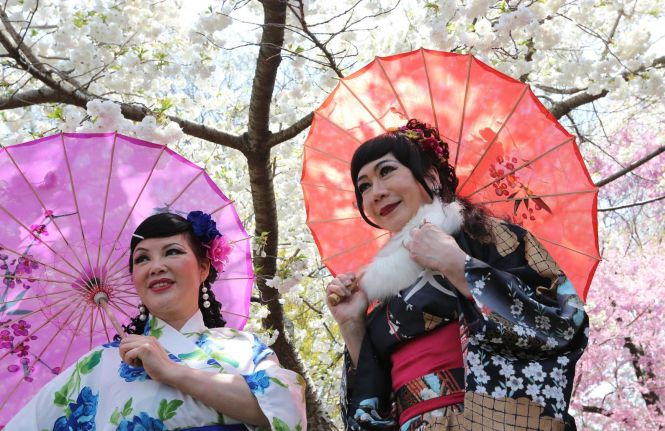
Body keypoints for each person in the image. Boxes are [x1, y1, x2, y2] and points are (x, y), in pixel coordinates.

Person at [326, 119, 589, 431]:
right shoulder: (376, 287)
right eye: (364, 186)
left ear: (431, 177)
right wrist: (352, 324)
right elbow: (377, 400)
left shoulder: (487, 237)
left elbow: (560, 324)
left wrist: (460, 265)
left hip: (487, 417)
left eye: (386, 171)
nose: (376, 193)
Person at [6, 212, 307, 431]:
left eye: (172, 252)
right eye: (142, 259)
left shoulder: (244, 347)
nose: (156, 266)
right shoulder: (99, 364)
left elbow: (288, 408)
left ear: (203, 268)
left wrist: (171, 371)